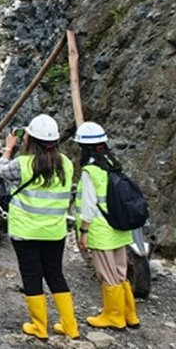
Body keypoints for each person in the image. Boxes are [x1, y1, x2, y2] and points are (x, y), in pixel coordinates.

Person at [0, 114, 79, 341]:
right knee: (55, 274)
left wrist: (8, 147)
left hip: (26, 231)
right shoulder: (67, 164)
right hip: (54, 231)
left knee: (32, 276)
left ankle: (39, 327)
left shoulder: (22, 164)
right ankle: (70, 326)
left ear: (30, 139)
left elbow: (0, 170)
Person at [74, 122, 139, 330]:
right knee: (121, 272)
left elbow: (88, 206)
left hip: (101, 230)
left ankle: (114, 317)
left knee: (107, 274)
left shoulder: (89, 171)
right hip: (120, 228)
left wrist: (83, 232)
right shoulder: (113, 163)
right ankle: (130, 315)